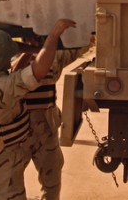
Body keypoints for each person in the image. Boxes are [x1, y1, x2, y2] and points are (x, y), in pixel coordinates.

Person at [0, 19, 76, 200]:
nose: (10, 61)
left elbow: (9, 71)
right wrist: (53, 35)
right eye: (6, 58)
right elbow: (37, 72)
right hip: (1, 167)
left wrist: (30, 50)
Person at [17, 38, 85, 200]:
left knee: (52, 182)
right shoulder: (12, 60)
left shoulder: (52, 57)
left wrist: (85, 35)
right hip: (19, 133)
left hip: (45, 131)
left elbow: (76, 47)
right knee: (12, 184)